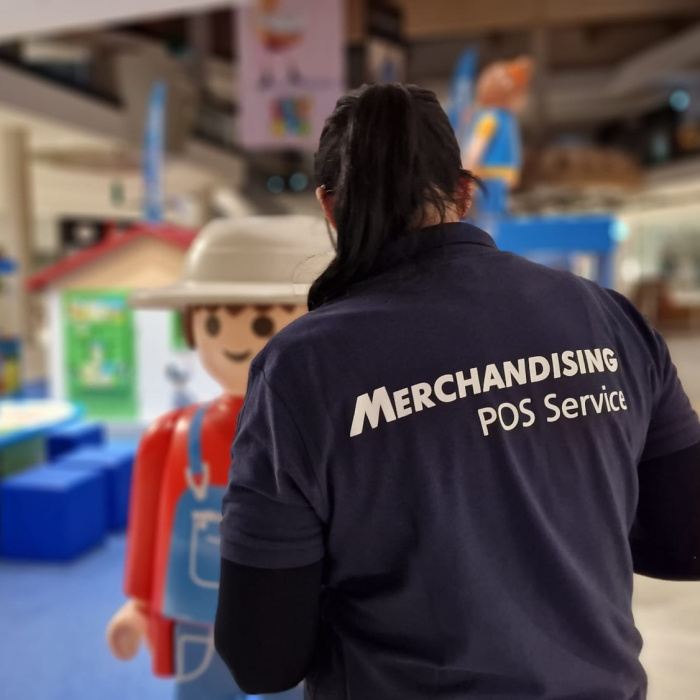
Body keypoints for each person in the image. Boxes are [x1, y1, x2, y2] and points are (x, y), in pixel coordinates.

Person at [214, 84, 700, 700]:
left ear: (330, 208)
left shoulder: (300, 369)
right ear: (465, 193)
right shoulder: (605, 316)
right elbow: (687, 541)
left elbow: (262, 659)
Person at [106, 216, 329, 700]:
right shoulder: (168, 436)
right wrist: (140, 605)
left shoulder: (324, 435)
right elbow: (149, 529)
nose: (232, 340)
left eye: (262, 323)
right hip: (197, 617)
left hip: (296, 618)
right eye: (212, 322)